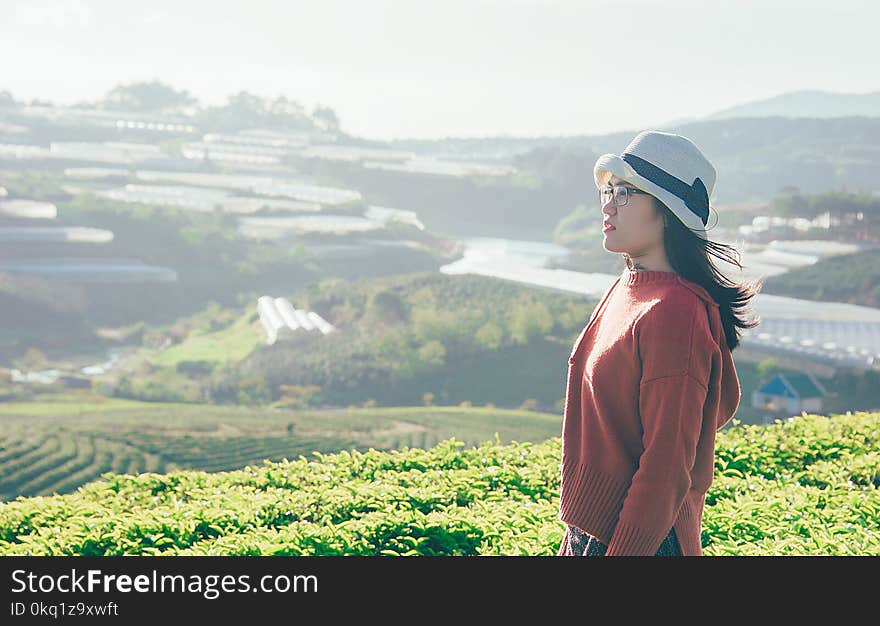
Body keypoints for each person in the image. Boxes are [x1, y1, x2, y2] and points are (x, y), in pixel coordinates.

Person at [556, 130, 761, 556]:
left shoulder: (676, 311)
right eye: (608, 190)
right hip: (594, 531)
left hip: (640, 541)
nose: (608, 204)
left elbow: (667, 466)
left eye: (626, 192)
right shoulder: (627, 287)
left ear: (668, 211)